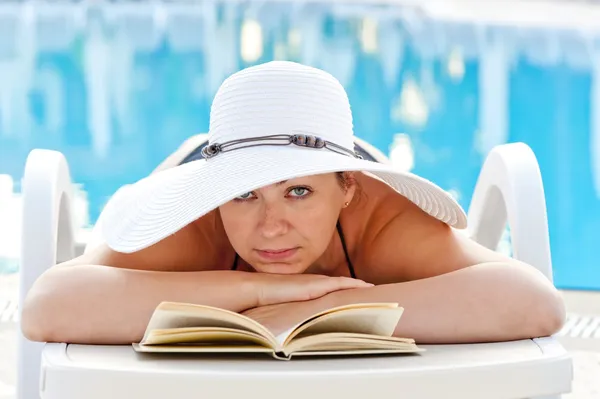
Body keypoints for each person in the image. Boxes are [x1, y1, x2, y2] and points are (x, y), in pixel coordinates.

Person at [21, 61, 565, 345]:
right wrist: (257, 290)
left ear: (347, 188)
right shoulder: (190, 225)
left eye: (297, 193)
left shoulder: (382, 220)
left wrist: (312, 309)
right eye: (245, 195)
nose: (271, 228)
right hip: (193, 167)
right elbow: (46, 307)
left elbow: (537, 304)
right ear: (218, 198)